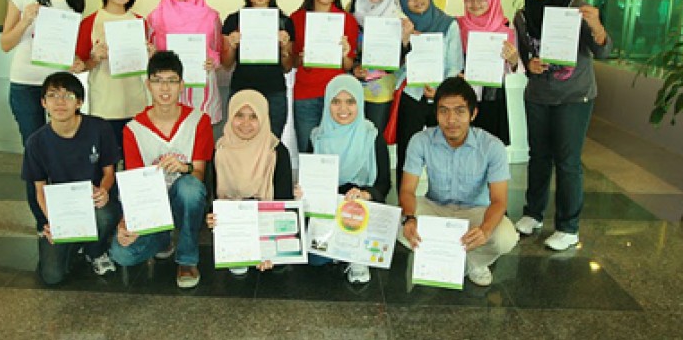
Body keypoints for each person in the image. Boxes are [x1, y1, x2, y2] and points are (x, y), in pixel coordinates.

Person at [512, 0, 611, 251]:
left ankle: (568, 227)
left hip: (573, 96)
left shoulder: (575, 9)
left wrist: (595, 24)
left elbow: (602, 51)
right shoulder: (522, 15)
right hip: (539, 96)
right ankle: (533, 213)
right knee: (538, 156)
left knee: (568, 161)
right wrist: (530, 64)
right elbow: (524, 58)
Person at [0, 0, 86, 236]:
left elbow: (71, 53)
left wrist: (77, 62)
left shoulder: (74, 5)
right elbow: (5, 44)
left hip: (59, 90)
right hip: (25, 87)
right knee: (35, 152)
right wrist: (26, 20)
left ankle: (68, 216)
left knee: (62, 152)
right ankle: (44, 222)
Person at [399, 77, 518, 287]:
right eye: (443, 111)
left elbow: (499, 200)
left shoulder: (492, 147)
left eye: (460, 111)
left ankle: (474, 263)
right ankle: (445, 259)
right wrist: (410, 218)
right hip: (436, 207)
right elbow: (407, 190)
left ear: (473, 114)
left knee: (505, 237)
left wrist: (486, 230)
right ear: (435, 113)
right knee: (397, 227)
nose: (451, 119)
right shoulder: (420, 140)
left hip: (475, 211)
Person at [109, 51, 212, 289]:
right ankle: (163, 239)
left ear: (182, 85)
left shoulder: (199, 121)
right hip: (150, 207)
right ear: (148, 85)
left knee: (189, 187)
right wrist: (127, 223)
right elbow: (134, 184)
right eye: (157, 80)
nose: (165, 88)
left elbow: (198, 174)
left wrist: (184, 168)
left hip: (183, 199)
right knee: (122, 254)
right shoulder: (133, 129)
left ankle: (187, 260)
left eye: (172, 80)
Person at [21, 72, 120, 285]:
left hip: (93, 204)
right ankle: (74, 242)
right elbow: (39, 189)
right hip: (60, 213)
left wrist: (103, 190)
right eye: (53, 95)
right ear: (43, 103)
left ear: (80, 102)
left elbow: (109, 173)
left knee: (106, 215)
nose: (60, 102)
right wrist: (54, 223)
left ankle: (95, 251)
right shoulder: (35, 143)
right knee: (52, 276)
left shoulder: (99, 128)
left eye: (68, 96)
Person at [307, 74, 391, 284]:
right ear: (327, 104)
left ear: (360, 103)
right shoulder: (318, 137)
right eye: (336, 101)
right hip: (330, 207)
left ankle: (356, 257)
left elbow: (384, 183)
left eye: (350, 101)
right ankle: (343, 250)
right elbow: (311, 182)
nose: (343, 109)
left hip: (362, 206)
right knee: (316, 259)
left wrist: (365, 194)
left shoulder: (371, 135)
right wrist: (304, 191)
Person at [206, 89, 295, 275]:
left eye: (253, 116)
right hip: (234, 230)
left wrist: (268, 247)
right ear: (230, 116)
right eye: (239, 115)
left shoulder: (277, 152)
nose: (245, 123)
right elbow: (212, 196)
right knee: (237, 269)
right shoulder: (220, 151)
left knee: (277, 267)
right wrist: (211, 217)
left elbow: (283, 202)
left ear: (263, 118)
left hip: (266, 224)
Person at [76, 0, 151, 154]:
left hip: (136, 104)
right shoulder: (90, 22)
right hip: (104, 106)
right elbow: (79, 65)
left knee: (133, 163)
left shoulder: (140, 23)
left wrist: (151, 55)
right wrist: (94, 58)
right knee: (106, 165)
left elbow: (147, 67)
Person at [395, 0, 464, 188]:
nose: (417, 1)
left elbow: (455, 64)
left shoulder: (448, 24)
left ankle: (443, 199)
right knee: (407, 152)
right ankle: (405, 205)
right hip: (411, 96)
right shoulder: (402, 25)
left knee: (442, 152)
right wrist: (405, 40)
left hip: (441, 100)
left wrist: (440, 90)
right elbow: (393, 66)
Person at [221, 0, 296, 138]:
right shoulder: (234, 20)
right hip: (241, 89)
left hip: (274, 92)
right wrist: (232, 45)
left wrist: (284, 47)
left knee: (272, 144)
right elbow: (226, 63)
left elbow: (287, 66)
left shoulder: (284, 22)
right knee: (240, 143)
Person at [291, 0, 360, 153]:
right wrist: (301, 58)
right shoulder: (296, 19)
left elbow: (347, 66)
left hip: (336, 97)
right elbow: (289, 64)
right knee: (307, 149)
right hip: (305, 95)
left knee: (334, 150)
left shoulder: (348, 21)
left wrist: (345, 54)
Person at [147, 0, 224, 124]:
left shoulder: (212, 17)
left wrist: (214, 61)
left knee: (201, 141)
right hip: (167, 90)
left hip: (201, 91)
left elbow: (219, 51)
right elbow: (151, 57)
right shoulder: (155, 17)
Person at [456, 0, 520, 146]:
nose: (475, 3)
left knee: (489, 150)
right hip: (463, 100)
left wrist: (513, 60)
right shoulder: (458, 27)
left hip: (492, 101)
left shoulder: (507, 30)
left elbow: (513, 69)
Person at [348, 0, 409, 135]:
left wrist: (405, 39)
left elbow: (399, 62)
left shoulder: (397, 17)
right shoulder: (353, 10)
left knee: (374, 141)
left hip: (381, 93)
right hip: (352, 89)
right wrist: (354, 67)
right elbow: (348, 49)